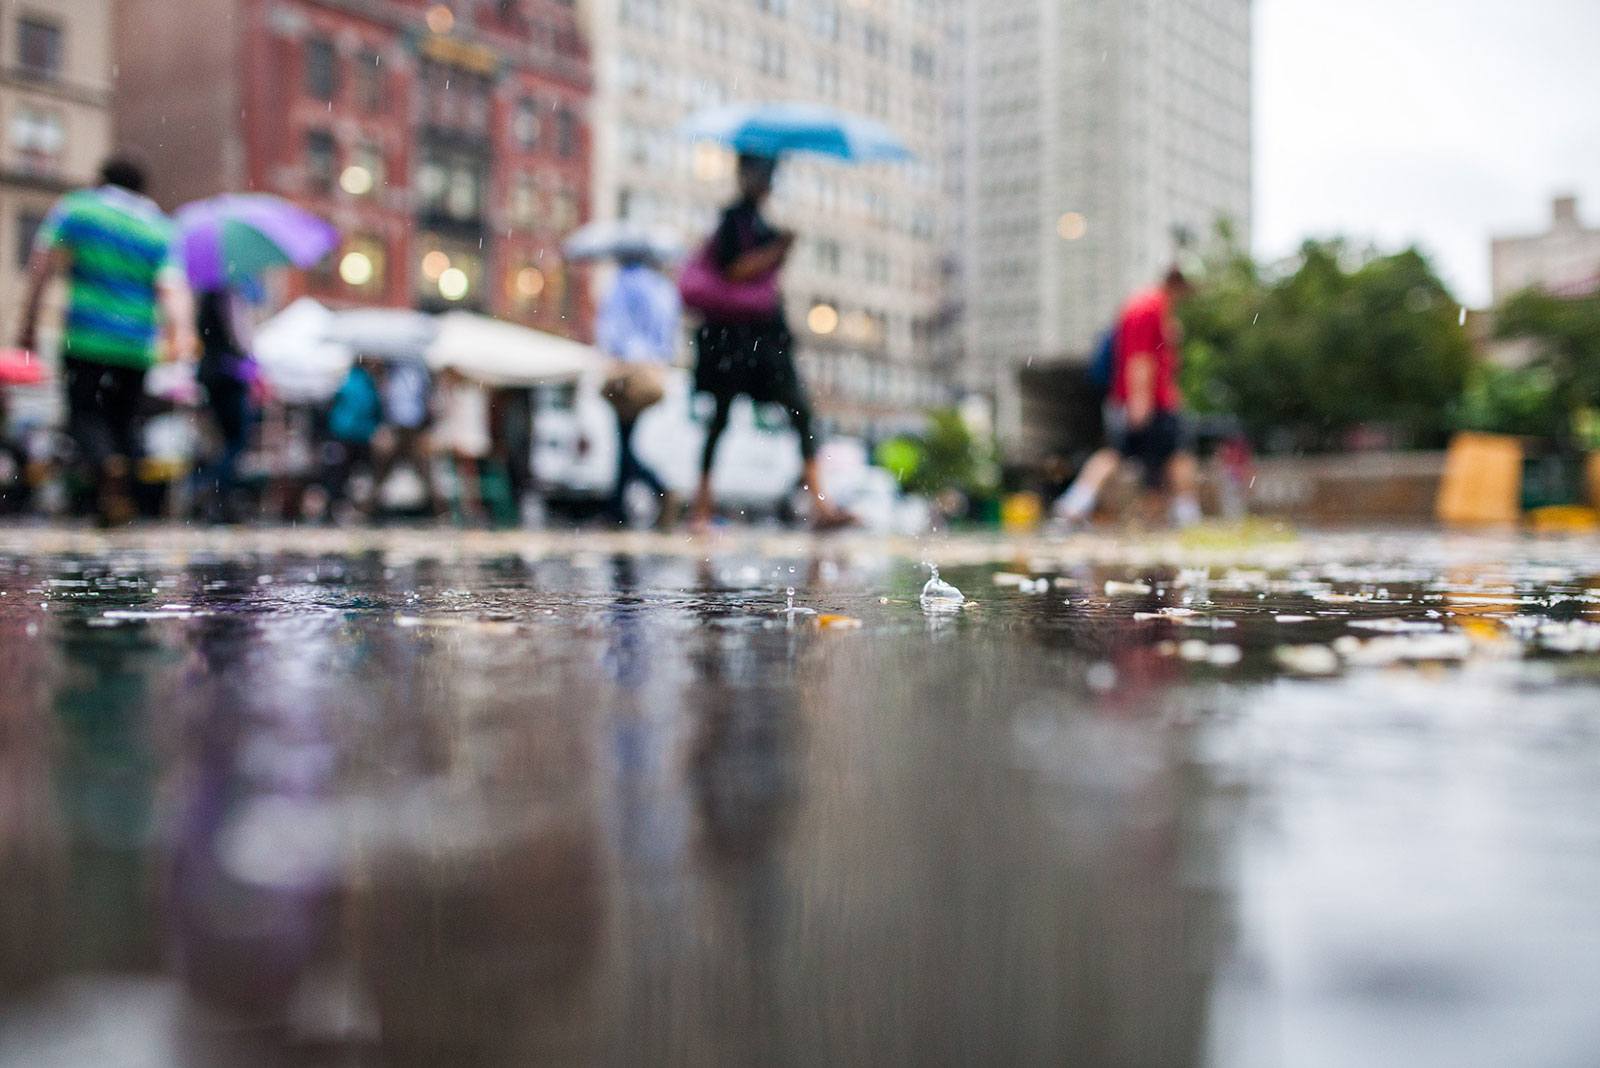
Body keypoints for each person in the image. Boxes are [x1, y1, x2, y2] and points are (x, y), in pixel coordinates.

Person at [15, 155, 194, 524]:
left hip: (86, 335)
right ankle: (119, 495)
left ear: (101, 179)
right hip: (136, 343)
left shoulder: (78, 209)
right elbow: (173, 288)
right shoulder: (158, 227)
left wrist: (29, 323)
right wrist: (181, 334)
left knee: (84, 412)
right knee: (124, 418)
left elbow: (42, 264)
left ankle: (104, 468)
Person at [689, 154, 849, 532]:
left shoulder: (761, 223)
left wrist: (780, 246)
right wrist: (779, 249)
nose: (764, 183)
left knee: (799, 412)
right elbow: (735, 270)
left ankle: (820, 504)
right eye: (759, 175)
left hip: (764, 338)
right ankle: (701, 508)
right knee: (721, 420)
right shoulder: (732, 220)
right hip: (735, 340)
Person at [1053, 267, 1202, 528]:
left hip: (1129, 399)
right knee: (1178, 454)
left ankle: (1074, 504)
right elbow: (1140, 357)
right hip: (1151, 402)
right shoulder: (1151, 307)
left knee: (1117, 453)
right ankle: (1188, 515)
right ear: (1178, 285)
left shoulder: (1141, 304)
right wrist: (1140, 401)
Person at [598, 254, 680, 526]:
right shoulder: (662, 288)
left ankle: (657, 488)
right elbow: (666, 333)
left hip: (627, 370)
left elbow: (614, 329)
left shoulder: (625, 282)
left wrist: (617, 356)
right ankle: (618, 506)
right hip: (651, 370)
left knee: (623, 442)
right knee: (626, 441)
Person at [192, 287, 261, 523]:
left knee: (223, 441)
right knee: (236, 440)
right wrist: (251, 362)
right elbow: (239, 338)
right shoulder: (229, 296)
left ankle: (211, 491)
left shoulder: (207, 298)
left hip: (212, 374)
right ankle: (216, 491)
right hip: (229, 375)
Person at [373, 360, 441, 517]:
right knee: (384, 468)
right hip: (396, 425)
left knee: (423, 469)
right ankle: (369, 509)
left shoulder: (420, 367)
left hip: (414, 426)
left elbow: (427, 398)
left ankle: (441, 511)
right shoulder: (390, 366)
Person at [323, 355, 384, 521]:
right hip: (357, 435)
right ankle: (358, 508)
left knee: (339, 474)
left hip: (344, 433)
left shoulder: (347, 380)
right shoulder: (367, 383)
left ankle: (338, 508)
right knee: (355, 474)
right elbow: (376, 409)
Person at [432, 367, 491, 524]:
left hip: (468, 442)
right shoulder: (450, 393)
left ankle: (470, 508)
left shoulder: (471, 393)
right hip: (454, 440)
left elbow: (472, 428)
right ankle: (444, 507)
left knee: (466, 466)